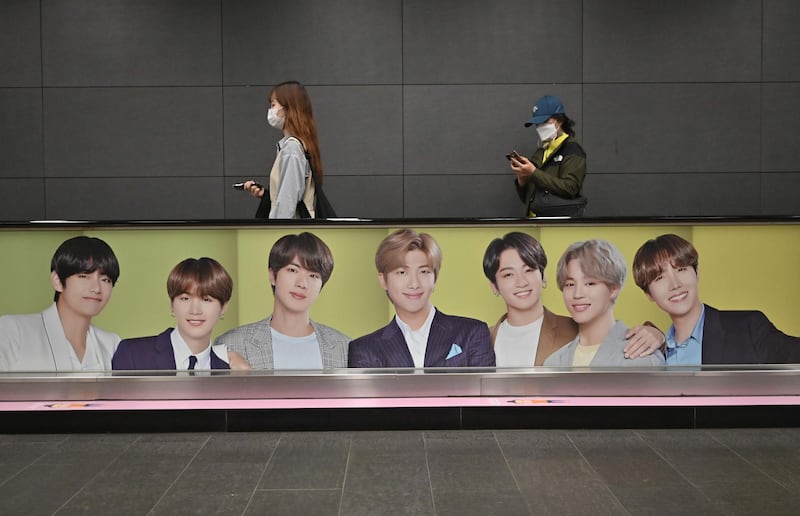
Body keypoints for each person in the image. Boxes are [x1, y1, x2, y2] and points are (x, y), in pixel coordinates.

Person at [483, 232, 664, 366]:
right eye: (508, 275)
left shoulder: (574, 325)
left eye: (529, 270)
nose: (521, 282)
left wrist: (659, 336)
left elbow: (611, 334)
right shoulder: (482, 338)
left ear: (543, 275)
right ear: (494, 285)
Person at [633, 234, 800, 365]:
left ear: (696, 273)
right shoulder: (654, 354)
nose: (675, 284)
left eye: (681, 269)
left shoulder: (748, 327)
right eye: (659, 278)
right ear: (649, 294)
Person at [349, 229, 495, 368]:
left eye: (424, 272)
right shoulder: (364, 349)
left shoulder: (472, 332)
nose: (414, 284)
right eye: (402, 272)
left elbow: (486, 392)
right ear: (383, 280)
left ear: (435, 278)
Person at [214, 232, 349, 369]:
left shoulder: (344, 347)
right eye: (292, 270)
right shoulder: (231, 343)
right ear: (272, 276)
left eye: (313, 275)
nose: (302, 283)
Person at [0, 236, 121, 371]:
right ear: (57, 281)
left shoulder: (111, 343)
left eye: (105, 280)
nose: (96, 288)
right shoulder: (14, 331)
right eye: (84, 276)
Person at [544, 240, 665, 367]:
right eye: (570, 284)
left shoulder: (641, 357)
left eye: (590, 283)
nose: (577, 294)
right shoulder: (554, 362)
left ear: (614, 289)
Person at [112, 258, 232, 370]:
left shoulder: (227, 372)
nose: (195, 311)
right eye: (185, 298)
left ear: (223, 307)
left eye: (206, 299)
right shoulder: (133, 354)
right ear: (172, 304)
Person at [240, 80, 322, 219]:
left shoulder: (291, 148)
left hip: (289, 234)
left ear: (288, 108)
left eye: (273, 105)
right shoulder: (301, 144)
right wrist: (267, 195)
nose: (271, 111)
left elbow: (287, 204)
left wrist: (275, 232)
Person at [509, 94, 587, 217]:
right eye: (537, 124)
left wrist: (533, 172)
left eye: (544, 121)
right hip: (534, 222)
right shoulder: (541, 151)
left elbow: (571, 188)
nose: (540, 127)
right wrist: (522, 178)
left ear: (560, 120)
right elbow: (528, 199)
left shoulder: (572, 149)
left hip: (557, 224)